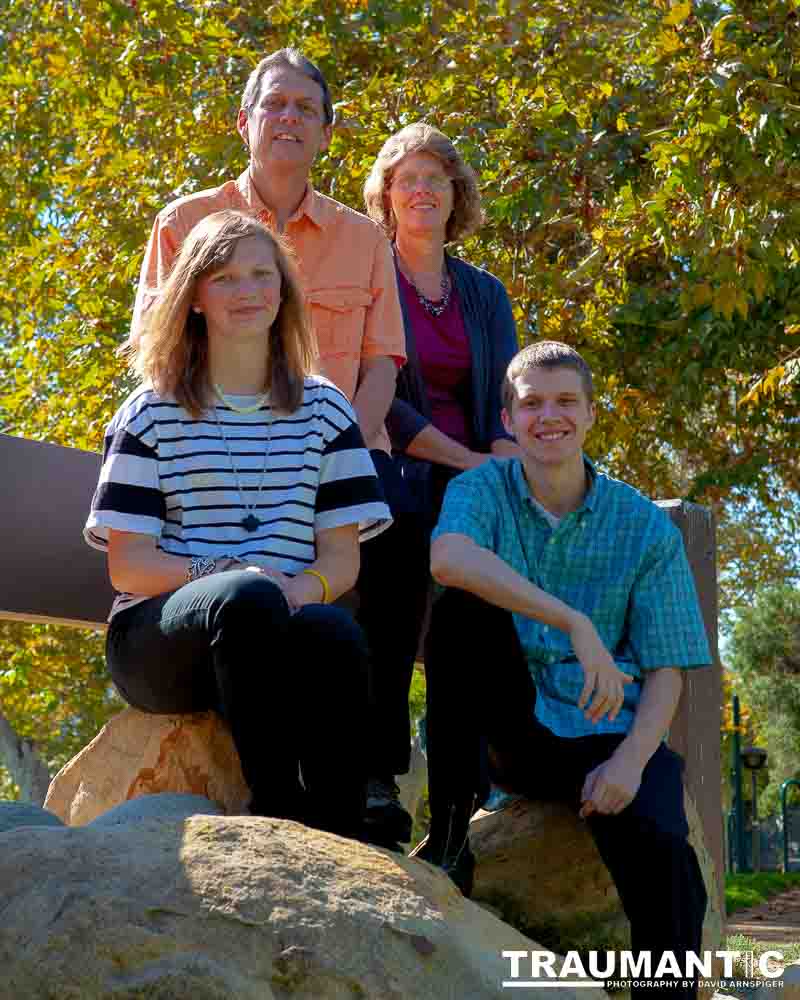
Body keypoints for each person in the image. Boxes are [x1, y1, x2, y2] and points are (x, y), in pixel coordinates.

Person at [129, 48, 423, 850]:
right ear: (245, 121)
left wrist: (336, 445)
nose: (288, 118)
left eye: (306, 108)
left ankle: (367, 779)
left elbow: (381, 364)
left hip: (323, 450)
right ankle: (284, 798)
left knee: (392, 531)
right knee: (267, 592)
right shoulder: (182, 222)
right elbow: (152, 352)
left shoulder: (365, 240)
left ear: (328, 132)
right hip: (206, 454)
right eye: (274, 105)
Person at [416, 341, 711, 999]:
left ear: (591, 415)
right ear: (509, 420)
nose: (549, 416)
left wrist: (631, 764)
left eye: (565, 402)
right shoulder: (480, 490)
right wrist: (574, 624)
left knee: (666, 852)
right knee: (461, 609)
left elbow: (667, 667)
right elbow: (450, 560)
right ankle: (449, 838)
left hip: (609, 729)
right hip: (514, 728)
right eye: (532, 404)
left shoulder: (642, 527)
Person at [85, 210, 391, 841]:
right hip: (161, 641)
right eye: (224, 278)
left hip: (276, 627)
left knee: (333, 628)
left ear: (283, 293)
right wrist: (226, 572)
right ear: (194, 297)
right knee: (245, 596)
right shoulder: (152, 409)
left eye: (261, 275)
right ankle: (275, 805)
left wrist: (299, 591)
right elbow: (129, 563)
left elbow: (340, 560)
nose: (247, 291)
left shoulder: (326, 408)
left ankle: (339, 826)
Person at [363, 122, 519, 521]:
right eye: (408, 180)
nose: (422, 190)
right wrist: (468, 462)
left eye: (435, 179)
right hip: (398, 473)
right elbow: (375, 399)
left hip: (483, 473)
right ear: (387, 196)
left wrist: (502, 470)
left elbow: (508, 397)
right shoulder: (366, 282)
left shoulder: (487, 293)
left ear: (455, 195)